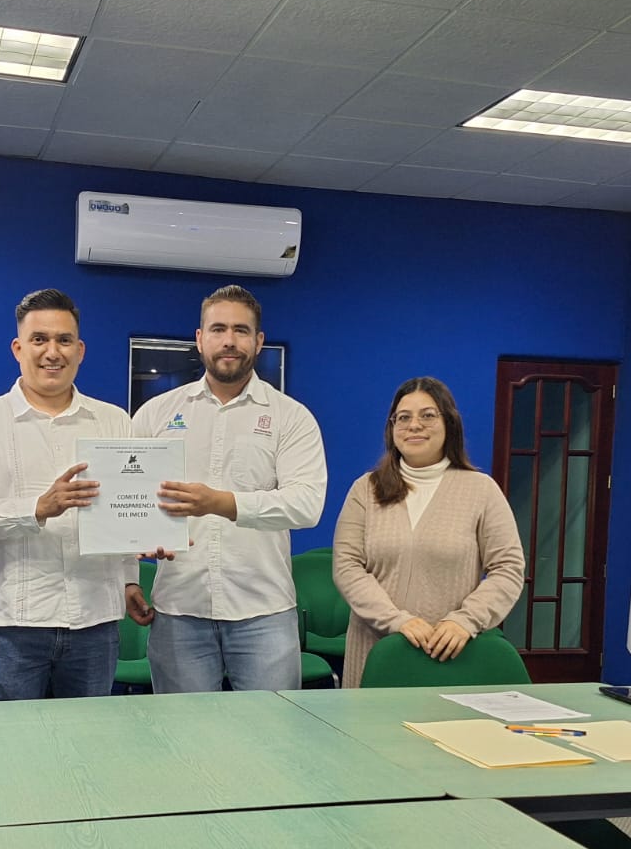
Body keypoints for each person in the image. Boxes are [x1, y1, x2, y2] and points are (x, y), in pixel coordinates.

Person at [0, 288, 148, 699]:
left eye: (64, 340)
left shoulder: (114, 421)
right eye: (39, 339)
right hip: (14, 626)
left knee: (89, 737)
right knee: (15, 739)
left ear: (80, 350)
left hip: (95, 622)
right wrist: (36, 508)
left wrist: (130, 580)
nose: (52, 352)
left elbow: (126, 511)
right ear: (18, 348)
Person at [129, 284, 326, 693]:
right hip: (180, 608)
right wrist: (130, 575)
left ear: (258, 341)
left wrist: (221, 503)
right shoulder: (156, 414)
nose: (229, 340)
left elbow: (306, 505)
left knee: (269, 730)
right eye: (218, 329)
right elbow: (128, 501)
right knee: (184, 731)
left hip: (264, 612)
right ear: (200, 339)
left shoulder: (292, 418)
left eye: (241, 330)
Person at [332, 376, 524, 689]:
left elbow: (508, 568)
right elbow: (347, 566)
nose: (414, 425)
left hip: (451, 651)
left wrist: (466, 620)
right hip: (375, 649)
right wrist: (397, 620)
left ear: (449, 423)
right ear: (392, 428)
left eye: (428, 415)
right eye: (403, 417)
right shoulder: (365, 489)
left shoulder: (481, 490)